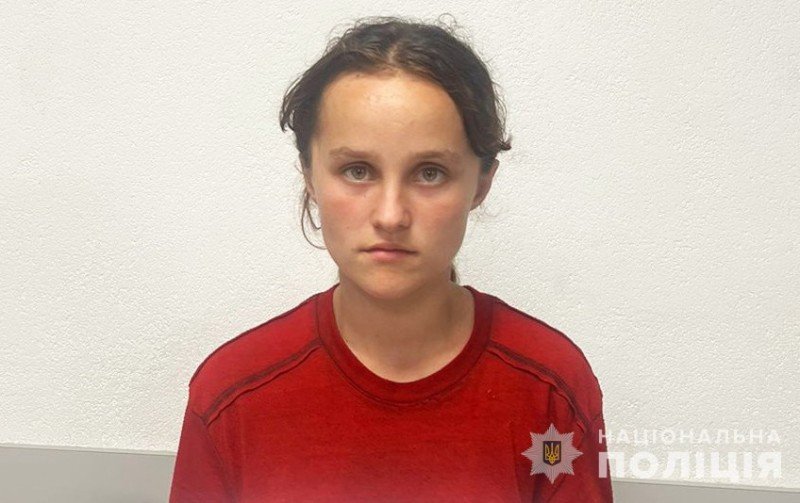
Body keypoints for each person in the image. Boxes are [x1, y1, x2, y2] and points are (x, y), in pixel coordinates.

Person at [169, 15, 613, 502]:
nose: (390, 215)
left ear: (481, 184)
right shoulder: (230, 396)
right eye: (357, 170)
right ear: (310, 177)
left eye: (430, 173)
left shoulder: (552, 391)